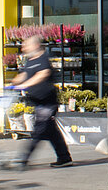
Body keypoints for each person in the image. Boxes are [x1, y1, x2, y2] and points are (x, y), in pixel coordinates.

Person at [4, 35, 73, 170]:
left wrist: (24, 85)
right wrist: (13, 84)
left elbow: (42, 74)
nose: (24, 48)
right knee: (51, 131)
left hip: (47, 102)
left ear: (35, 45)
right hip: (37, 102)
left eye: (26, 45)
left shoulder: (43, 59)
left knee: (39, 130)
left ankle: (22, 159)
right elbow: (24, 74)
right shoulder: (30, 60)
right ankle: (64, 158)